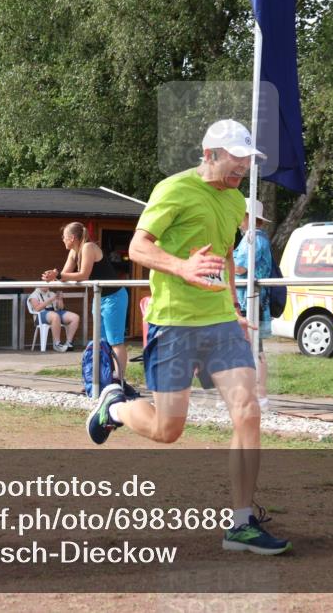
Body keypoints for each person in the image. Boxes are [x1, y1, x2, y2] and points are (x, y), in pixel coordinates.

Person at [86, 119, 292, 555]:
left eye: (246, 165)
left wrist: (234, 309)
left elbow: (225, 259)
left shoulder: (234, 198)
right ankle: (117, 407)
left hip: (218, 321)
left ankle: (241, 523)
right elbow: (139, 248)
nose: (241, 173)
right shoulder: (173, 190)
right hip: (174, 321)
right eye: (235, 163)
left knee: (248, 409)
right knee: (168, 429)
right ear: (209, 155)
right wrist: (181, 267)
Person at [42, 223, 135, 393]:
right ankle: (100, 379)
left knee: (115, 342)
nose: (62, 240)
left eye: (64, 237)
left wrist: (59, 276)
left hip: (114, 297)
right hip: (99, 296)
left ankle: (119, 379)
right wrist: (53, 276)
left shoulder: (88, 247)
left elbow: (83, 274)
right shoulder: (73, 252)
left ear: (72, 238)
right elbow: (65, 275)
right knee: (101, 341)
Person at [233, 199, 274, 412]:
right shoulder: (253, 238)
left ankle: (259, 395)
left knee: (253, 348)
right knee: (250, 348)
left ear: (248, 217)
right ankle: (252, 394)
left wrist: (222, 260)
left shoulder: (254, 239)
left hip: (252, 301)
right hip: (250, 300)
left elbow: (240, 268)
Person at [27, 286, 80, 352]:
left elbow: (60, 308)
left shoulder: (51, 293)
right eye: (44, 284)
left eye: (47, 284)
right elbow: (37, 308)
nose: (46, 286)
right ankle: (57, 344)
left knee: (75, 317)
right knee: (55, 316)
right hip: (40, 315)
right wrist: (50, 300)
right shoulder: (34, 295)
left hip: (54, 313)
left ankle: (68, 342)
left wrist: (60, 299)